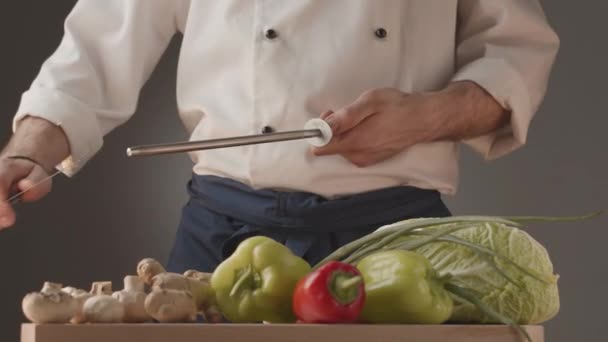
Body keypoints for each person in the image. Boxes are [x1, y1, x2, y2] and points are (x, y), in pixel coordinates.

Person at [0, 1, 559, 272]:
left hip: (400, 245)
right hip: (222, 241)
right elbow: (96, 48)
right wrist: (28, 150)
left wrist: (427, 117)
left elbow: (515, 52)